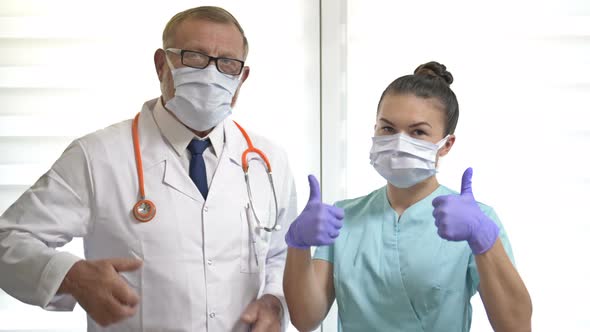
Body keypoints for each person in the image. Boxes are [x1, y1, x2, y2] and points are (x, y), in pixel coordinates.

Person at [0, 6, 296, 332]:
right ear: (161, 64)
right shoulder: (98, 156)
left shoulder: (268, 161)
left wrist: (274, 301)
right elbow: (8, 241)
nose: (211, 73)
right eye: (194, 56)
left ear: (242, 76)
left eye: (227, 63)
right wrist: (72, 276)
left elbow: (280, 255)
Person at [283, 61, 532, 331]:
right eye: (388, 129)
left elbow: (516, 326)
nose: (399, 143)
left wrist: (483, 238)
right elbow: (305, 318)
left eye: (418, 132)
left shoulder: (476, 221)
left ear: (446, 144)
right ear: (375, 130)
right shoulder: (344, 217)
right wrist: (298, 244)